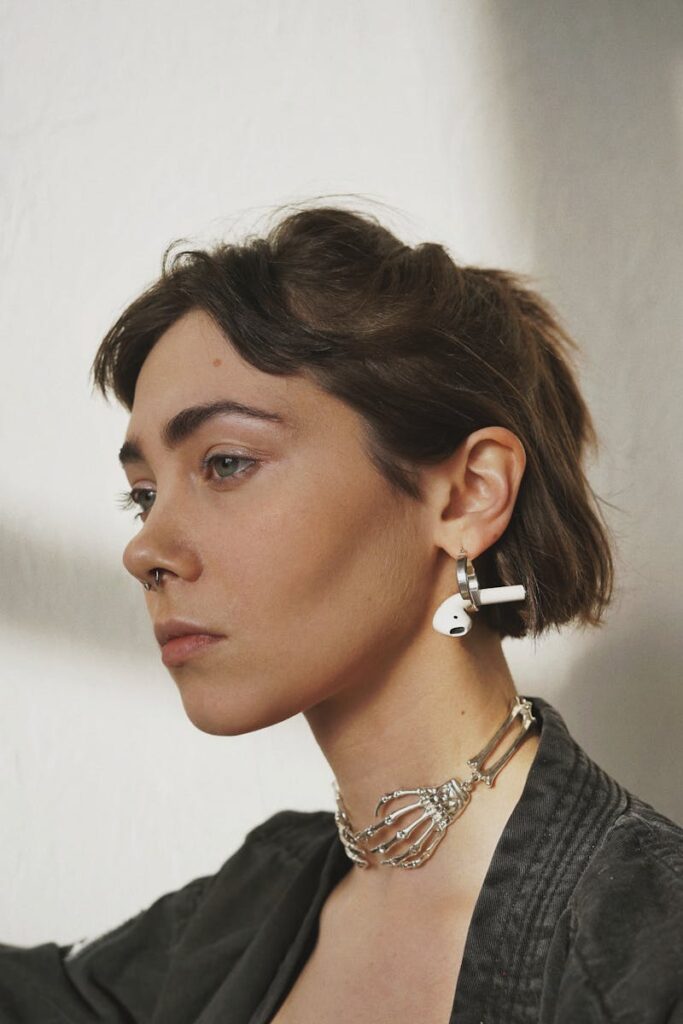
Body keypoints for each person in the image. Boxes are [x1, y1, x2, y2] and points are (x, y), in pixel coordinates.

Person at [2, 204, 681, 1024]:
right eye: (143, 495)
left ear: (469, 495)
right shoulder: (252, 903)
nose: (144, 548)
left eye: (224, 463)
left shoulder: (647, 951)